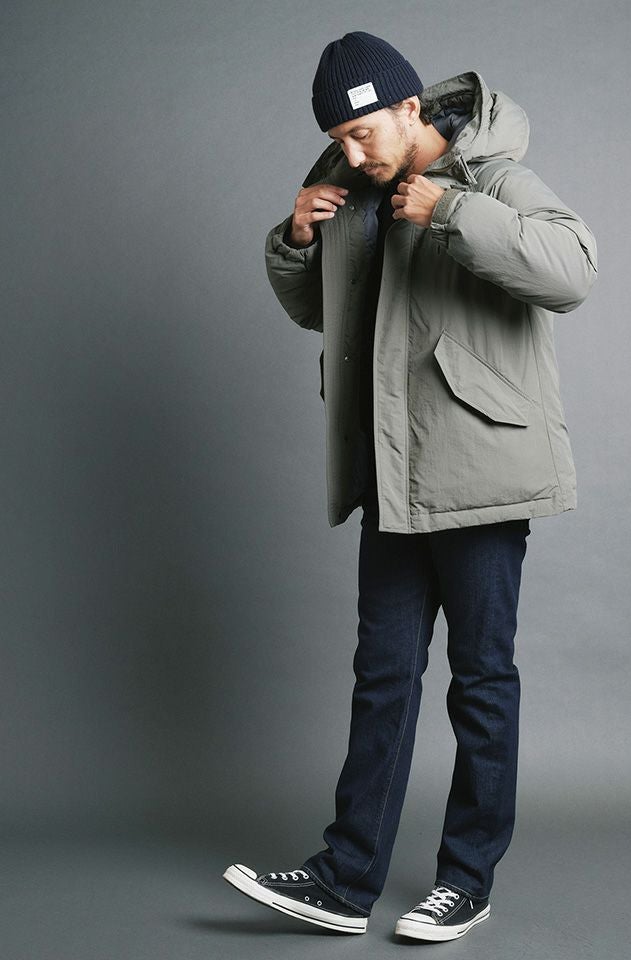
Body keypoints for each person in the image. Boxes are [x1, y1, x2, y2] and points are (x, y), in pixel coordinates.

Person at [223, 30, 597, 943]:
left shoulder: (494, 178)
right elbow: (322, 311)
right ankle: (345, 881)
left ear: (408, 108)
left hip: (481, 473)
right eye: (338, 139)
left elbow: (572, 270)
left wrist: (451, 212)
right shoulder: (355, 192)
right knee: (383, 678)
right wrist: (296, 241)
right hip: (393, 474)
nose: (353, 154)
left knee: (482, 682)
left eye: (362, 133)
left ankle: (466, 881)